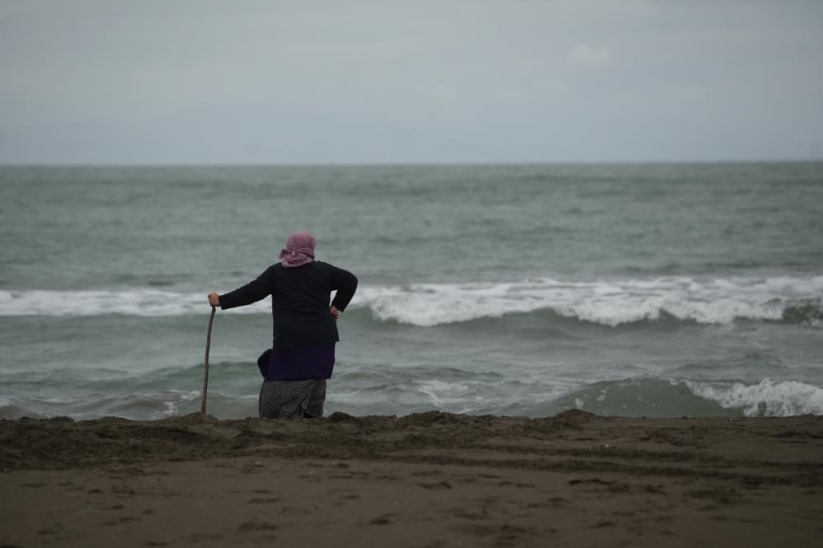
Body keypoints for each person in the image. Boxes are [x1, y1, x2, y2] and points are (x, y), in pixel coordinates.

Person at [207, 231, 358, 419]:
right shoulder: (324, 271)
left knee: (280, 389)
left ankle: (291, 422)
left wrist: (220, 300)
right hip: (323, 341)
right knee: (314, 384)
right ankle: (310, 421)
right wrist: (337, 307)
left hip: (291, 342)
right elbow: (351, 281)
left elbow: (251, 292)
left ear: (289, 248)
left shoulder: (277, 272)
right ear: (311, 250)